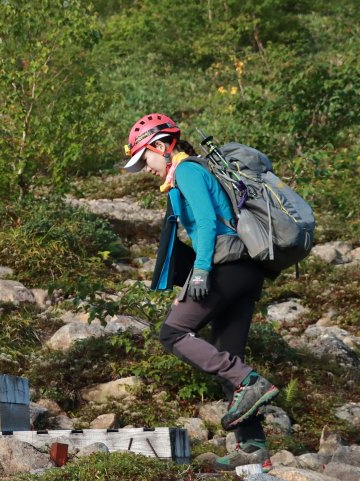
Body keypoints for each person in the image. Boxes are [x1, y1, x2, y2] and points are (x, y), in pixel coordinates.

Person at [123, 113, 279, 471]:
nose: (144, 168)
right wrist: (196, 273)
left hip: (226, 266)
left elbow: (208, 223)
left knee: (173, 332)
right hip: (244, 271)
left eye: (144, 158)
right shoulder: (183, 175)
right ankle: (254, 448)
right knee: (228, 357)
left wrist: (202, 271)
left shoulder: (189, 171)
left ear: (161, 146)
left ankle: (251, 382)